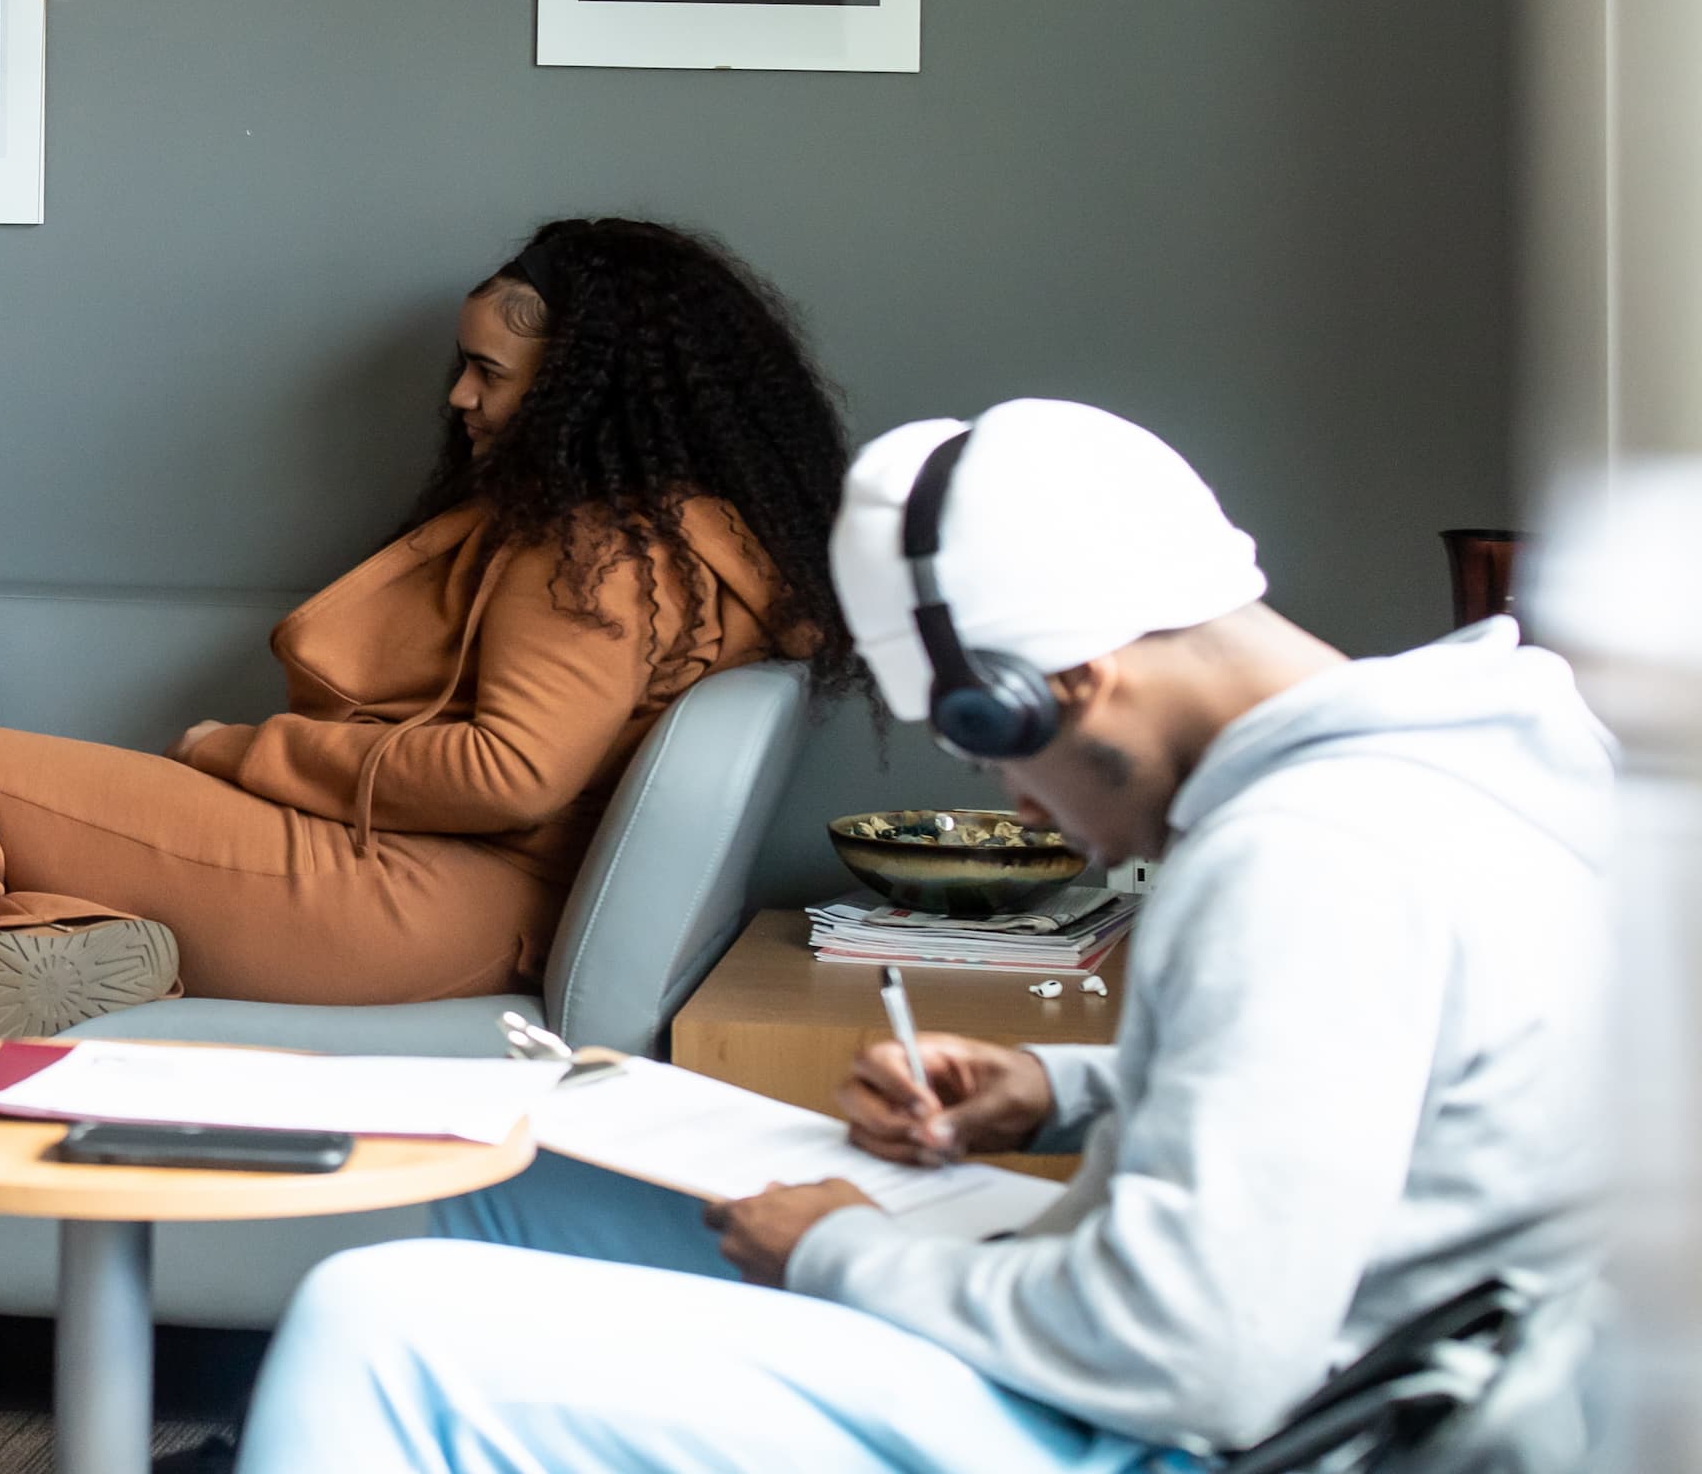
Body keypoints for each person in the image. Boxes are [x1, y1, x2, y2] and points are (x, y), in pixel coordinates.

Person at [222, 399, 1611, 1472]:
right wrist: (1062, 1091)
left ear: (1066, 679)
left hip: (1236, 1429)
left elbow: (1201, 1356)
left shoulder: (1308, 856)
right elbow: (1391, 1089)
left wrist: (837, 1251)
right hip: (1261, 1332)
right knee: (518, 1188)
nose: (1014, 800)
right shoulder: (1467, 758)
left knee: (381, 1325)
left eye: (991, 748)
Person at [0, 216, 864, 1260]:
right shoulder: (720, 548)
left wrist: (242, 752)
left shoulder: (591, 545)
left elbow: (509, 774)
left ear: (585, 383)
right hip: (468, 913)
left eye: (489, 373)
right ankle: (86, 950)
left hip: (412, 899)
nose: (459, 397)